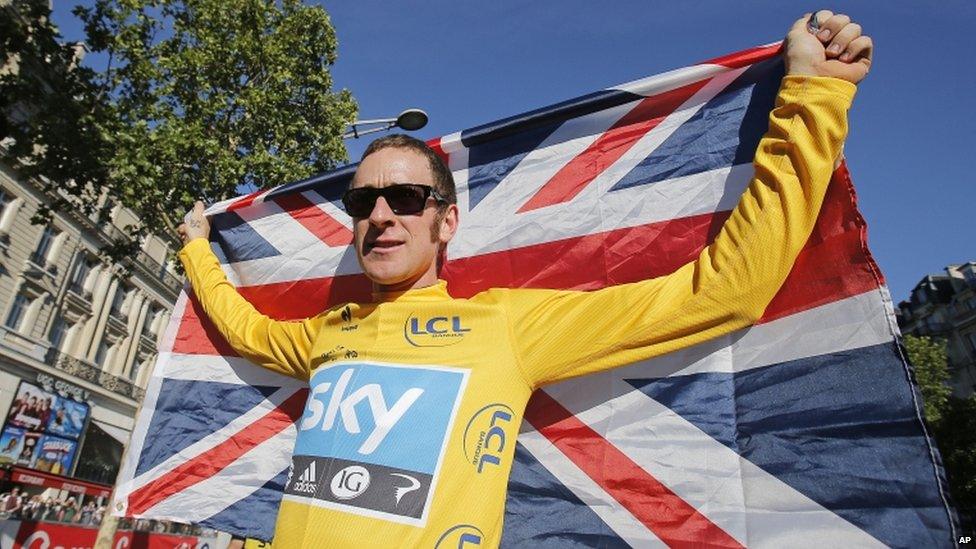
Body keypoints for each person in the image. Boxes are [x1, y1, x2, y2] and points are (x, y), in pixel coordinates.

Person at [178, 11, 872, 548]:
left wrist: (815, 96)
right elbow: (247, 330)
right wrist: (199, 252)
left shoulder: (505, 328)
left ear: (447, 222)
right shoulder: (328, 333)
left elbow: (722, 292)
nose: (382, 217)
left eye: (407, 199)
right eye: (364, 202)